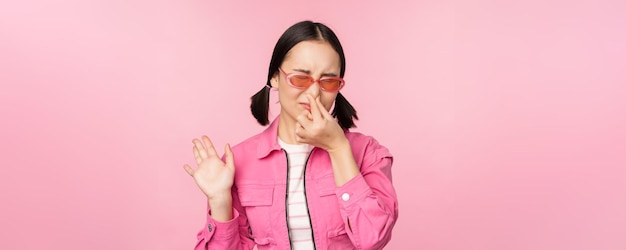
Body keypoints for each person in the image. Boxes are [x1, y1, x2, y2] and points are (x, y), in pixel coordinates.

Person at [183, 20, 398, 250]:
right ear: (275, 77)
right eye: (300, 78)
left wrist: (338, 148)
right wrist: (220, 201)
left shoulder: (368, 153)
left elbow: (373, 239)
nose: (314, 92)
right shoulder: (238, 162)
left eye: (328, 81)